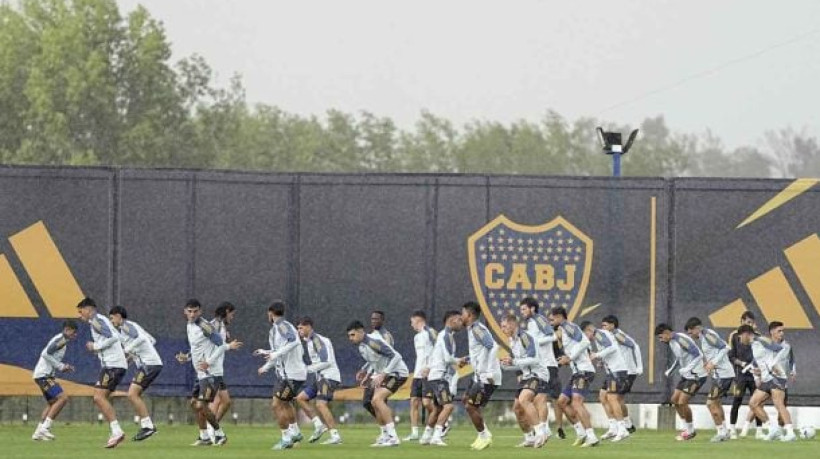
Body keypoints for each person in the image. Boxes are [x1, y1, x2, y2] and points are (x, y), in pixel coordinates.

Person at [185, 299, 241, 446]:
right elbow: (200, 346)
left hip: (211, 372)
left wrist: (226, 347)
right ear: (185, 312)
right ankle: (204, 436)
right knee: (194, 403)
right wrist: (187, 356)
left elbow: (221, 345)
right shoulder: (191, 326)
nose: (192, 314)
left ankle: (219, 434)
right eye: (189, 311)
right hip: (201, 372)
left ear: (200, 311)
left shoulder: (206, 325)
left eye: (195, 311)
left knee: (203, 405)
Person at [255, 301, 308, 450]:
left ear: (270, 313)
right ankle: (296, 432)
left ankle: (286, 438)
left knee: (276, 404)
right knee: (285, 403)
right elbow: (277, 353)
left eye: (268, 313)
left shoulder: (282, 326)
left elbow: (293, 342)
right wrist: (266, 366)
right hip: (286, 374)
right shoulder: (276, 329)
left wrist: (275, 354)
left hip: (291, 375)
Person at [347, 319, 409, 447]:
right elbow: (375, 361)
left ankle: (393, 437)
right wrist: (365, 372)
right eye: (349, 336)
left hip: (397, 373)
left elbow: (396, 357)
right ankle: (385, 436)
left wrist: (384, 373)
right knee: (372, 402)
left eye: (352, 335)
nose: (350, 338)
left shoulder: (372, 342)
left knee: (377, 399)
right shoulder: (362, 346)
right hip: (385, 374)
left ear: (360, 332)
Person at [77, 297, 128, 448]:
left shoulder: (96, 321)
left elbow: (114, 337)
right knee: (102, 397)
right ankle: (115, 431)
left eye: (81, 312)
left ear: (89, 309)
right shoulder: (99, 320)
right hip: (114, 364)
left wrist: (96, 346)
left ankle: (117, 431)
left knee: (98, 397)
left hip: (113, 365)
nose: (80, 316)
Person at [108, 306, 163, 441]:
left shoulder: (125, 326)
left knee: (132, 394)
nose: (111, 321)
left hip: (148, 365)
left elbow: (142, 339)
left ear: (118, 316)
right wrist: (131, 357)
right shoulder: (130, 326)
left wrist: (127, 350)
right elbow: (151, 340)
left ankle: (148, 426)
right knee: (133, 394)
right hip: (150, 363)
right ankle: (147, 426)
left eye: (111, 318)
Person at [550, 307, 599, 447]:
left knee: (576, 402)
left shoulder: (568, 326)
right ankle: (581, 433)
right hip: (577, 372)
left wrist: (570, 357)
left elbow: (585, 342)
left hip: (584, 371)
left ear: (560, 317)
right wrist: (565, 359)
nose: (550, 321)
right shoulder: (564, 330)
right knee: (562, 402)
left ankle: (592, 436)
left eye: (552, 319)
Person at [500, 313, 549, 448]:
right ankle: (529, 438)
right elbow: (520, 363)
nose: (502, 329)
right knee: (517, 409)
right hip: (527, 375)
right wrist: (507, 365)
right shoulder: (512, 341)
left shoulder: (525, 337)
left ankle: (541, 432)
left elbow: (534, 358)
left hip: (538, 374)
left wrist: (514, 361)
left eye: (504, 326)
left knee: (524, 399)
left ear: (512, 324)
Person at [685, 317, 735, 442]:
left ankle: (721, 432)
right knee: (716, 403)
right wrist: (707, 362)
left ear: (697, 328)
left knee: (710, 403)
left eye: (691, 333)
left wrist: (713, 363)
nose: (691, 336)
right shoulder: (704, 337)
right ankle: (724, 431)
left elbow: (726, 347)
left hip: (723, 375)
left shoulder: (707, 335)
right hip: (719, 375)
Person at [655, 322, 707, 441]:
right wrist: (671, 370)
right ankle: (687, 429)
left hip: (697, 375)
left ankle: (690, 430)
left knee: (682, 401)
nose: (660, 340)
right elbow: (680, 358)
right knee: (674, 400)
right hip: (687, 375)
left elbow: (698, 355)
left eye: (660, 336)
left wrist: (687, 369)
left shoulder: (681, 339)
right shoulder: (672, 342)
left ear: (667, 333)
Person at [460, 301, 502, 451]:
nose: (461, 316)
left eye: (463, 313)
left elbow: (493, 346)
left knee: (470, 405)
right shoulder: (472, 329)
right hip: (479, 375)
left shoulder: (477, 329)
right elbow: (481, 351)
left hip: (487, 376)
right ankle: (483, 434)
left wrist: (489, 371)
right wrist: (468, 359)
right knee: (466, 400)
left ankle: (484, 435)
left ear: (470, 315)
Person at [295, 317, 343, 445]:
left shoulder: (316, 340)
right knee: (300, 398)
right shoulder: (310, 341)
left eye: (301, 327)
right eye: (298, 328)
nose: (299, 330)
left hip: (329, 377)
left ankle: (335, 436)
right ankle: (319, 426)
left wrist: (308, 369)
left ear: (309, 327)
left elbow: (326, 361)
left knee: (321, 404)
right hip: (320, 378)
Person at [745, 322, 797, 442]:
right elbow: (759, 359)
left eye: (782, 331)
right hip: (767, 378)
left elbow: (791, 359)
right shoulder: (766, 343)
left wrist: (793, 371)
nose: (782, 333)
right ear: (772, 332)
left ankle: (790, 432)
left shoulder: (786, 346)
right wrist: (758, 372)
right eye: (779, 331)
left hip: (778, 377)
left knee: (779, 405)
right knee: (753, 403)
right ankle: (773, 429)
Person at [420, 310, 463, 446]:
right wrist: (459, 360)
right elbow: (447, 358)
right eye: (459, 320)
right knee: (449, 406)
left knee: (438, 408)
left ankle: (426, 437)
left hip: (436, 376)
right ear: (451, 320)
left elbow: (439, 357)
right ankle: (437, 437)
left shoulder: (446, 335)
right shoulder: (446, 336)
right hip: (439, 377)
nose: (461, 323)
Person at [518, 297, 559, 441]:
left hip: (547, 364)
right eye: (521, 309)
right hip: (539, 365)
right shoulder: (530, 323)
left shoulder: (539, 319)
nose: (522, 312)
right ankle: (543, 429)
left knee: (541, 398)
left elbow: (552, 335)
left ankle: (544, 429)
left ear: (532, 308)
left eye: (524, 309)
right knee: (536, 399)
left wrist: (534, 342)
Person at [582, 320, 629, 442]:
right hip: (611, 371)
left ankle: (622, 429)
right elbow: (609, 350)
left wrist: (597, 355)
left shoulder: (598, 334)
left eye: (585, 334)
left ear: (589, 330)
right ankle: (613, 428)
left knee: (612, 398)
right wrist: (601, 361)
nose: (586, 338)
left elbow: (612, 347)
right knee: (603, 396)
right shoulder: (599, 336)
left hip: (617, 371)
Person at [31, 320, 78, 441]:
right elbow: (45, 354)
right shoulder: (61, 340)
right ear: (67, 330)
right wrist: (61, 366)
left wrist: (63, 366)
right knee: (63, 398)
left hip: (43, 375)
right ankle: (45, 428)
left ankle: (38, 432)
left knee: (52, 403)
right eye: (74, 332)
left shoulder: (63, 340)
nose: (75, 335)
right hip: (44, 375)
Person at [600, 315, 642, 435]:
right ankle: (620, 426)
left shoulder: (618, 335)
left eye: (605, 325)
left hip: (626, 371)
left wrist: (639, 366)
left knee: (615, 398)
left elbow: (635, 346)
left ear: (612, 325)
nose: (602, 328)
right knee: (604, 396)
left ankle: (623, 426)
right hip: (614, 371)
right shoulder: (608, 337)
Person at [727, 311, 764, 439]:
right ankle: (732, 429)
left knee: (757, 402)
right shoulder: (734, 336)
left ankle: (759, 430)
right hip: (740, 375)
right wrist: (741, 364)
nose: (750, 324)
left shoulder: (758, 336)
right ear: (742, 321)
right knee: (737, 400)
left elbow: (762, 356)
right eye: (748, 322)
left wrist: (759, 370)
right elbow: (731, 356)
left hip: (754, 375)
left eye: (752, 322)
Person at [406, 310, 437, 442]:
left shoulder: (431, 332)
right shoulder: (416, 337)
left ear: (418, 320)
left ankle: (442, 422)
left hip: (429, 374)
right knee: (413, 402)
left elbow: (439, 349)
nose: (411, 325)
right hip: (417, 374)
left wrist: (430, 367)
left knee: (427, 403)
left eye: (412, 322)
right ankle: (414, 433)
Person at [208, 302, 237, 438]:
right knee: (220, 400)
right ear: (226, 311)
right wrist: (229, 345)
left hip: (217, 368)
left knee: (223, 401)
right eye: (232, 314)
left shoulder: (220, 325)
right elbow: (209, 345)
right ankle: (210, 431)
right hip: (212, 368)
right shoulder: (216, 325)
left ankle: (212, 429)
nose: (232, 317)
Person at [360, 310, 395, 422]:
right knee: (367, 402)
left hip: (384, 373)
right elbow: (373, 358)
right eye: (372, 319)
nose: (373, 321)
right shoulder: (371, 336)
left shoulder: (386, 336)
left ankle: (388, 430)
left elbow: (385, 357)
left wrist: (384, 374)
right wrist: (365, 371)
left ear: (382, 320)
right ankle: (386, 426)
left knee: (378, 402)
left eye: (376, 319)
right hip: (375, 373)